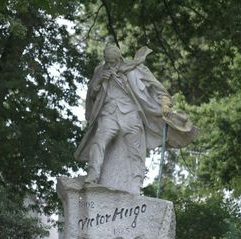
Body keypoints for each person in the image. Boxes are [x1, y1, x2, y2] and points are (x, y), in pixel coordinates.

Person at [74, 45, 196, 194]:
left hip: (131, 114)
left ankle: (135, 185)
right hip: (109, 113)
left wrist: (165, 104)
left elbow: (159, 89)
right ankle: (93, 176)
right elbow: (92, 96)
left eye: (112, 62)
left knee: (136, 151)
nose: (110, 65)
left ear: (119, 58)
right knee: (99, 140)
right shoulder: (100, 71)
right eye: (107, 62)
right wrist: (99, 81)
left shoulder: (136, 69)